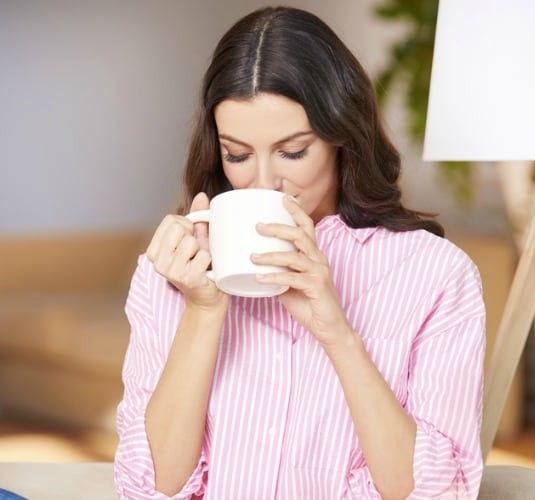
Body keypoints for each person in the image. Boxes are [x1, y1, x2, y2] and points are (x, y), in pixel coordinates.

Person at [114, 6, 485, 499]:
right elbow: (148, 489)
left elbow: (443, 492)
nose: (263, 181)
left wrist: (336, 333)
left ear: (342, 138)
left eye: (292, 151)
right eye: (238, 155)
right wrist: (203, 312)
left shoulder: (435, 275)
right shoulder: (171, 275)